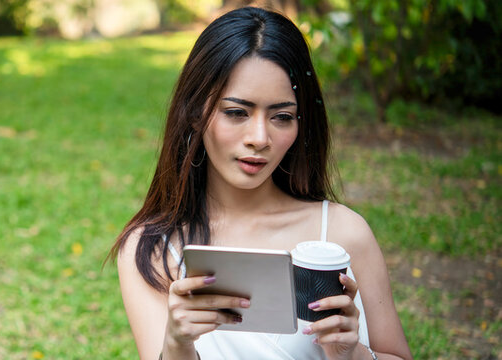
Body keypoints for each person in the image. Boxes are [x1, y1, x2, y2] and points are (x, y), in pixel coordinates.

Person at [109, 7, 413, 360]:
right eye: (236, 112)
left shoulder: (343, 233)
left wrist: (352, 353)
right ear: (194, 112)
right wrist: (177, 344)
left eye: (282, 117)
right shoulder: (151, 250)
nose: (259, 138)